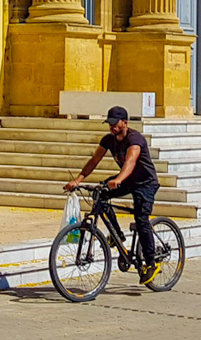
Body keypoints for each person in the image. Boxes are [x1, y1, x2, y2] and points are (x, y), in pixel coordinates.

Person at [65, 106, 162, 284]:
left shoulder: (135, 139)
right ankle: (117, 235)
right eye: (109, 123)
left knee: (141, 219)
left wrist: (119, 179)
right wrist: (78, 180)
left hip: (146, 183)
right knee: (100, 194)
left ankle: (151, 263)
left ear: (124, 122)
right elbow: (94, 160)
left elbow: (131, 161)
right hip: (127, 179)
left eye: (114, 123)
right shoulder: (108, 140)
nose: (111, 127)